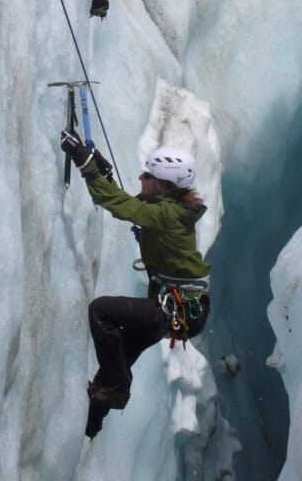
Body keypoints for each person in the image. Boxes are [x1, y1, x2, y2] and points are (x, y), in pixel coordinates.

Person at [60, 129, 211, 438]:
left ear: (162, 184)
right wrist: (102, 172)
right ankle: (89, 429)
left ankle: (116, 389)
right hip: (179, 310)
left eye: (147, 174)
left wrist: (85, 164)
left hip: (177, 310)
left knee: (101, 312)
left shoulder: (167, 213)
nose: (141, 178)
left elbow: (122, 207)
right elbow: (129, 205)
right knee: (112, 369)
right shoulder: (167, 209)